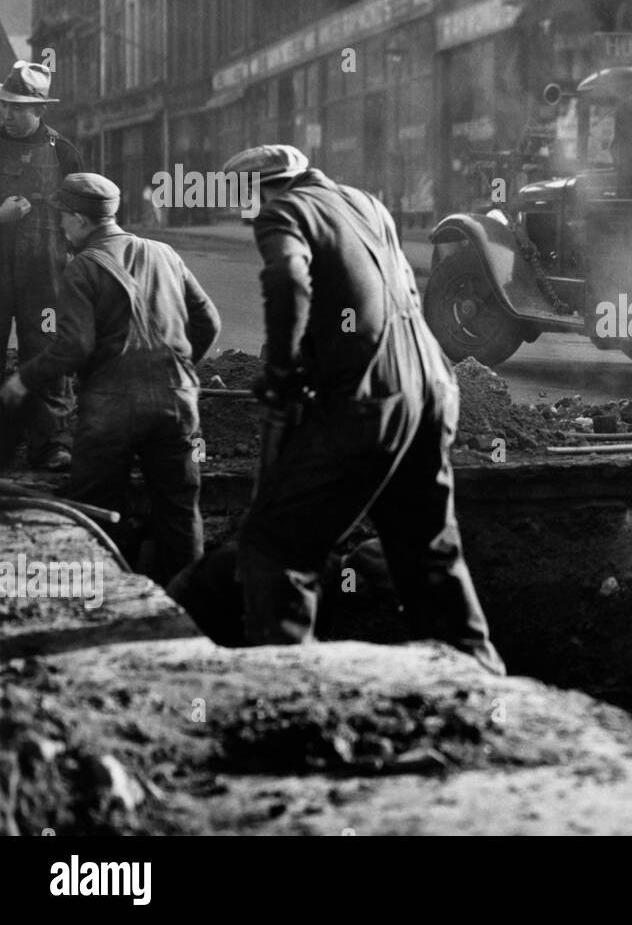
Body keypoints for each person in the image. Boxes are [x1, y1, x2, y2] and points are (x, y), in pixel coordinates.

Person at [174, 144, 504, 674]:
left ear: (265, 189)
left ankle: (289, 685)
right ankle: (479, 677)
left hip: (370, 399)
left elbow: (288, 278)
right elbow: (366, 295)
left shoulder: (284, 210)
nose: (249, 216)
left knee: (273, 546)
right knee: (426, 547)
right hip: (432, 388)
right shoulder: (364, 203)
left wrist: (281, 372)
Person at [0, 174, 221, 585]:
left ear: (80, 220)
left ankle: (105, 602)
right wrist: (181, 371)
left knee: (94, 513)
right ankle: (186, 608)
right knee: (179, 509)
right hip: (178, 406)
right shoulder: (165, 253)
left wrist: (23, 381)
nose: (62, 229)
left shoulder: (82, 267)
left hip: (111, 412)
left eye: (64, 219)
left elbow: (74, 348)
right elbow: (209, 321)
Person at [0, 61, 81, 472]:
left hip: (45, 278)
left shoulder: (64, 153)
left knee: (47, 352)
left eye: (16, 107)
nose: (7, 114)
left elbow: (86, 219)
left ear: (40, 110)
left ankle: (50, 444)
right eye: (4, 105)